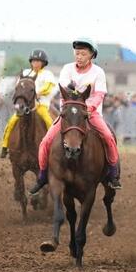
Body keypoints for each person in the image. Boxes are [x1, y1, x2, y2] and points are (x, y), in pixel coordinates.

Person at [29, 38, 121, 193]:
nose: (79, 56)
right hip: (69, 115)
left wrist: (89, 108)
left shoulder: (98, 72)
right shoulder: (67, 69)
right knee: (45, 142)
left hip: (90, 113)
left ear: (92, 55)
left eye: (83, 54)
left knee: (108, 137)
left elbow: (99, 95)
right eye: (77, 53)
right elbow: (65, 91)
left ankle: (113, 174)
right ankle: (43, 176)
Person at [0, 49, 56, 158]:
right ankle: (4, 146)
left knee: (49, 121)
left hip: (41, 105)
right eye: (34, 61)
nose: (36, 63)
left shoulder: (47, 74)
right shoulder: (25, 73)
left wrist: (37, 93)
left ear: (43, 63)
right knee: (11, 122)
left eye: (38, 61)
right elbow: (18, 87)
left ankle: (52, 146)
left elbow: (48, 88)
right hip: (25, 105)